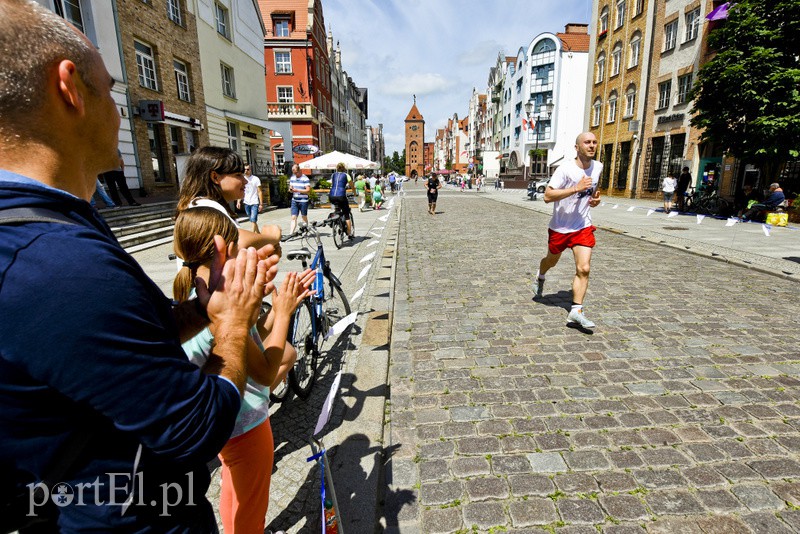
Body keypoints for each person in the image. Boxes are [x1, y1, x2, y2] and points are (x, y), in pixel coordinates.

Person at [0, 2, 277, 529]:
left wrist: (201, 308)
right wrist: (233, 322)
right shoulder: (54, 264)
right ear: (70, 88)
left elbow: (136, 334)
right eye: (108, 89)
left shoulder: (54, 224)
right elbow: (197, 425)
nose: (120, 110)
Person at [173, 207, 309, 534]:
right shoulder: (221, 306)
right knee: (252, 512)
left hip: (227, 429)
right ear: (230, 250)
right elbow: (264, 371)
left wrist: (273, 313)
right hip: (245, 427)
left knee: (233, 492)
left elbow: (251, 341)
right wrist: (285, 311)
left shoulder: (198, 299)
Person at [534, 132, 603, 329]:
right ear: (577, 147)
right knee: (551, 261)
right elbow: (547, 196)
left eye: (594, 142)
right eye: (587, 142)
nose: (591, 145)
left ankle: (576, 311)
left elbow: (593, 192)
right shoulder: (565, 169)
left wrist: (596, 200)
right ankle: (541, 274)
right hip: (560, 227)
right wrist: (575, 188)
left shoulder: (598, 167)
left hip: (582, 225)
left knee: (584, 268)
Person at [176, 146, 281, 250]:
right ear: (215, 177)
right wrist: (271, 237)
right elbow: (239, 241)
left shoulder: (208, 204)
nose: (245, 181)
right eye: (238, 175)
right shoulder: (204, 206)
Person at [330, 162, 355, 237]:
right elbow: (352, 186)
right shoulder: (346, 175)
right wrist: (354, 193)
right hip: (341, 196)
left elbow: (334, 184)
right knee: (347, 214)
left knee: (337, 209)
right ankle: (349, 233)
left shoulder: (333, 175)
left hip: (331, 195)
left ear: (337, 168)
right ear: (344, 169)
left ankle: (336, 220)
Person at [236, 163, 263, 233]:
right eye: (245, 169)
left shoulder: (255, 179)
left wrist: (261, 204)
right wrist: (238, 201)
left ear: (250, 170)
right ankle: (259, 234)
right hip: (246, 202)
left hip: (254, 202)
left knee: (253, 220)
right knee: (252, 220)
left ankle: (252, 235)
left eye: (248, 169)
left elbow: (260, 191)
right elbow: (241, 190)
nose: (246, 171)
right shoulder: (242, 179)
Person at [289, 163, 311, 234]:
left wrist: (297, 190)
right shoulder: (292, 178)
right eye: (294, 173)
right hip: (294, 200)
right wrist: (290, 189)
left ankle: (306, 230)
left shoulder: (305, 178)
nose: (295, 174)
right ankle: (291, 233)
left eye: (296, 173)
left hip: (303, 200)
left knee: (304, 216)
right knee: (293, 217)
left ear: (299, 171)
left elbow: (308, 190)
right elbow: (290, 187)